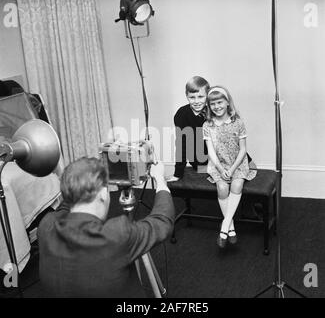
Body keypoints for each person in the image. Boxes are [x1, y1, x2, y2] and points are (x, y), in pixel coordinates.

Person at [37, 157, 175, 298]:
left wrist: (72, 177)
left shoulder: (46, 225)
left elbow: (65, 205)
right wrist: (160, 178)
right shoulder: (116, 236)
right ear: (103, 194)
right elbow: (163, 221)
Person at [202, 86, 257, 248]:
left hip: (237, 163)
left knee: (237, 184)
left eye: (220, 102)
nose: (217, 106)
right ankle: (231, 228)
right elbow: (210, 151)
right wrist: (220, 169)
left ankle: (224, 226)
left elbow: (243, 150)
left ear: (227, 102)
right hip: (218, 164)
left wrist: (232, 169)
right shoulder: (208, 125)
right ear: (209, 106)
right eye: (213, 104)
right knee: (222, 187)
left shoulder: (238, 122)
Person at [168, 76, 210, 181]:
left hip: (220, 158)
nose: (196, 101)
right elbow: (181, 145)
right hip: (200, 163)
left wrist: (247, 159)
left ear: (207, 96)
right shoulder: (182, 114)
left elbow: (228, 137)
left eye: (200, 97)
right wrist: (177, 174)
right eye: (192, 97)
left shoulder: (213, 111)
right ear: (186, 96)